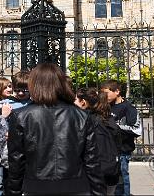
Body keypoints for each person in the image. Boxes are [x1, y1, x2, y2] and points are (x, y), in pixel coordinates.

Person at [7, 63, 104, 195]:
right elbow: (92, 161)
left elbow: (16, 161)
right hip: (76, 186)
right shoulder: (81, 116)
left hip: (36, 187)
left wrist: (14, 191)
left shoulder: (21, 116)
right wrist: (99, 192)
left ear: (34, 85)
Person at [75, 88, 121, 195]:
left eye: (75, 100)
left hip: (95, 172)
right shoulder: (108, 118)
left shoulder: (86, 120)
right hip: (111, 169)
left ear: (84, 102)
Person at [101, 80, 140, 196]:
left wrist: (114, 127)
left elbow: (136, 129)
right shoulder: (105, 106)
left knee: (121, 179)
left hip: (122, 150)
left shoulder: (128, 108)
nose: (104, 96)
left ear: (117, 91)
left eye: (107, 93)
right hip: (108, 151)